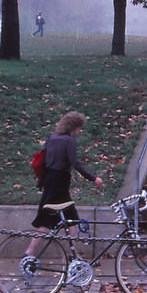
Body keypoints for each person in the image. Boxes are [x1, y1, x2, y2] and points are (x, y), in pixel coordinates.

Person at [24, 112, 103, 262]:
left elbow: (45, 160)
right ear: (74, 127)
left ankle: (72, 254)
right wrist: (93, 178)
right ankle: (33, 251)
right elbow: (75, 163)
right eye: (79, 128)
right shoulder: (69, 141)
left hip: (50, 181)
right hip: (60, 183)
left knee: (65, 218)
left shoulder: (52, 138)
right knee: (58, 219)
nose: (79, 131)